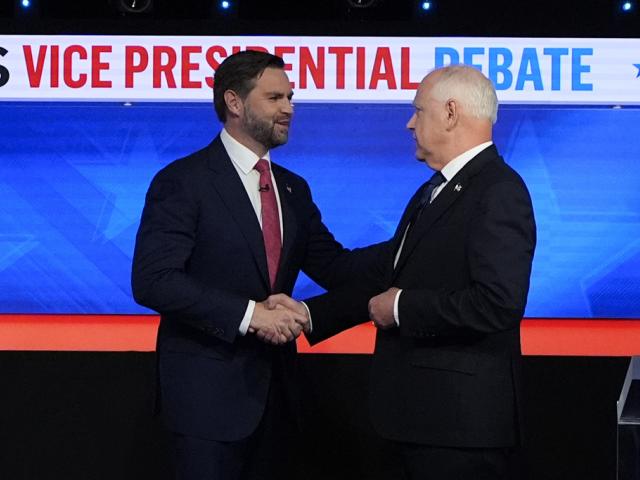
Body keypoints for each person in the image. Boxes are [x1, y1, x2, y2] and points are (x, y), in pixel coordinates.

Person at [269, 65, 537, 479]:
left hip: (460, 430)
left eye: (418, 110)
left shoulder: (499, 190)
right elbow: (378, 273)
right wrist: (308, 313)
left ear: (450, 113)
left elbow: (497, 304)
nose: (410, 123)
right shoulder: (434, 190)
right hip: (422, 422)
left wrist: (402, 308)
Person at [131, 50, 353, 480]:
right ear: (234, 103)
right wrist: (251, 316)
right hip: (206, 406)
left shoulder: (293, 188)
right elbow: (154, 280)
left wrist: (408, 247)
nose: (289, 108)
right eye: (275, 98)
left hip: (280, 400)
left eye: (290, 97)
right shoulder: (183, 181)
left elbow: (337, 268)